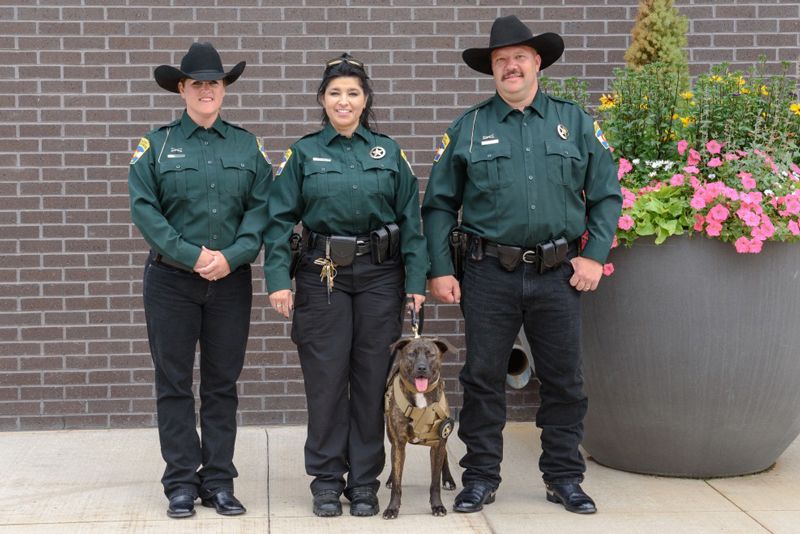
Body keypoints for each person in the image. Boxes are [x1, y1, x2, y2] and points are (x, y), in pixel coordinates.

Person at [422, 15, 622, 515]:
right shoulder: (468, 129)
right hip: (489, 272)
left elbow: (606, 195)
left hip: (559, 273)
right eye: (500, 60)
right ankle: (481, 477)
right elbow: (439, 206)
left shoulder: (575, 123)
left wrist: (594, 255)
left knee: (565, 381)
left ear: (537, 63)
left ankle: (563, 478)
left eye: (519, 58)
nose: (510, 66)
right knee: (482, 378)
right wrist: (441, 268)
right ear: (492, 70)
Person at [262, 53, 428, 518]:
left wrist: (416, 279)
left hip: (380, 277)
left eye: (353, 92)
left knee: (372, 378)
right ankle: (326, 480)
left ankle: (364, 482)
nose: (344, 100)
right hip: (323, 276)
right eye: (335, 92)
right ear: (322, 99)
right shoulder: (303, 153)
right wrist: (278, 278)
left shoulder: (388, 152)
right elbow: (278, 221)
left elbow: (410, 223)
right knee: (326, 380)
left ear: (365, 99)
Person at [128, 42, 271, 519]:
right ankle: (181, 484)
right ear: (182, 89)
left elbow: (262, 209)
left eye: (214, 82)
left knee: (221, 384)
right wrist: (192, 256)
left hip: (230, 283)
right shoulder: (157, 144)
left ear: (224, 88)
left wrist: (233, 255)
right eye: (197, 83)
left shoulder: (247, 145)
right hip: (171, 282)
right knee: (173, 383)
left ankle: (219, 481)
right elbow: (145, 210)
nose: (206, 90)